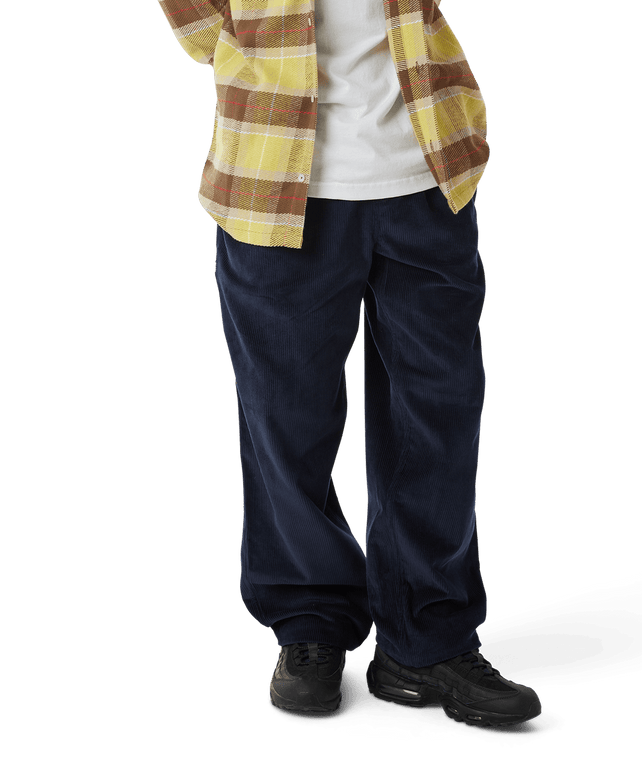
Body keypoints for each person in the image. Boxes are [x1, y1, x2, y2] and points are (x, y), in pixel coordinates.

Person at [155, 0, 542, 727]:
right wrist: (248, 49)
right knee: (285, 423)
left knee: (439, 420)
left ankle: (426, 644)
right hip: (273, 182)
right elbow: (198, 24)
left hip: (426, 175)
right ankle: (310, 625)